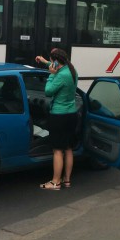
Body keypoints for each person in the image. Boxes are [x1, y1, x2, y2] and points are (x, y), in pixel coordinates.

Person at [34, 48, 79, 191]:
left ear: (56, 63)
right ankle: (67, 180)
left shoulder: (59, 76)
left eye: (52, 62)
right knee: (68, 148)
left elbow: (48, 91)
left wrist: (51, 75)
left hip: (59, 116)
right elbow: (55, 66)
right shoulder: (71, 70)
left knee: (58, 150)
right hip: (72, 115)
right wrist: (44, 61)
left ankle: (55, 183)